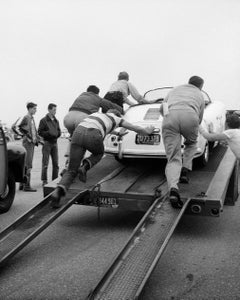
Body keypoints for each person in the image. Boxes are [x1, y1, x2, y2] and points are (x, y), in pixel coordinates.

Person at [50, 109, 155, 208]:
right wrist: (147, 131)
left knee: (71, 170)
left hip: (78, 133)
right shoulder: (117, 119)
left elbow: (101, 127)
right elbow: (134, 128)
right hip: (93, 134)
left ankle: (57, 192)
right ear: (117, 115)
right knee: (99, 153)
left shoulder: (96, 115)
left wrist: (118, 133)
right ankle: (84, 167)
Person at [161, 76, 205, 208]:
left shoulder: (175, 89)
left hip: (170, 116)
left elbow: (163, 106)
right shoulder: (199, 94)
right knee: (191, 144)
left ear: (189, 82)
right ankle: (185, 170)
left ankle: (173, 189)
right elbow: (200, 116)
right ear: (201, 86)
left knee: (173, 157)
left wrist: (167, 119)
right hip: (190, 116)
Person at [63, 85, 123, 163]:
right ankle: (77, 165)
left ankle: (68, 159)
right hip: (82, 118)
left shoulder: (80, 96)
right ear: (97, 93)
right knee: (82, 142)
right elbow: (109, 105)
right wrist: (121, 110)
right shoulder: (97, 98)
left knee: (74, 138)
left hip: (68, 118)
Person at [19, 102, 40, 192]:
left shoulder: (31, 118)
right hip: (28, 144)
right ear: (30, 109)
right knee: (28, 164)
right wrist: (29, 138)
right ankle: (27, 186)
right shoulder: (27, 117)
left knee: (25, 163)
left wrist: (37, 139)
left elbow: (33, 131)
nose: (36, 110)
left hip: (30, 143)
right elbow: (21, 128)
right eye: (34, 108)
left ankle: (22, 184)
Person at [38, 103, 61, 186]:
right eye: (54, 110)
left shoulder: (56, 120)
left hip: (55, 143)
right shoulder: (43, 120)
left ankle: (54, 180)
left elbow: (59, 131)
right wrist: (49, 133)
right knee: (45, 163)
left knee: (56, 163)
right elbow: (40, 132)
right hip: (47, 143)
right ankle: (44, 180)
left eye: (56, 110)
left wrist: (57, 134)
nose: (55, 111)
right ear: (49, 110)